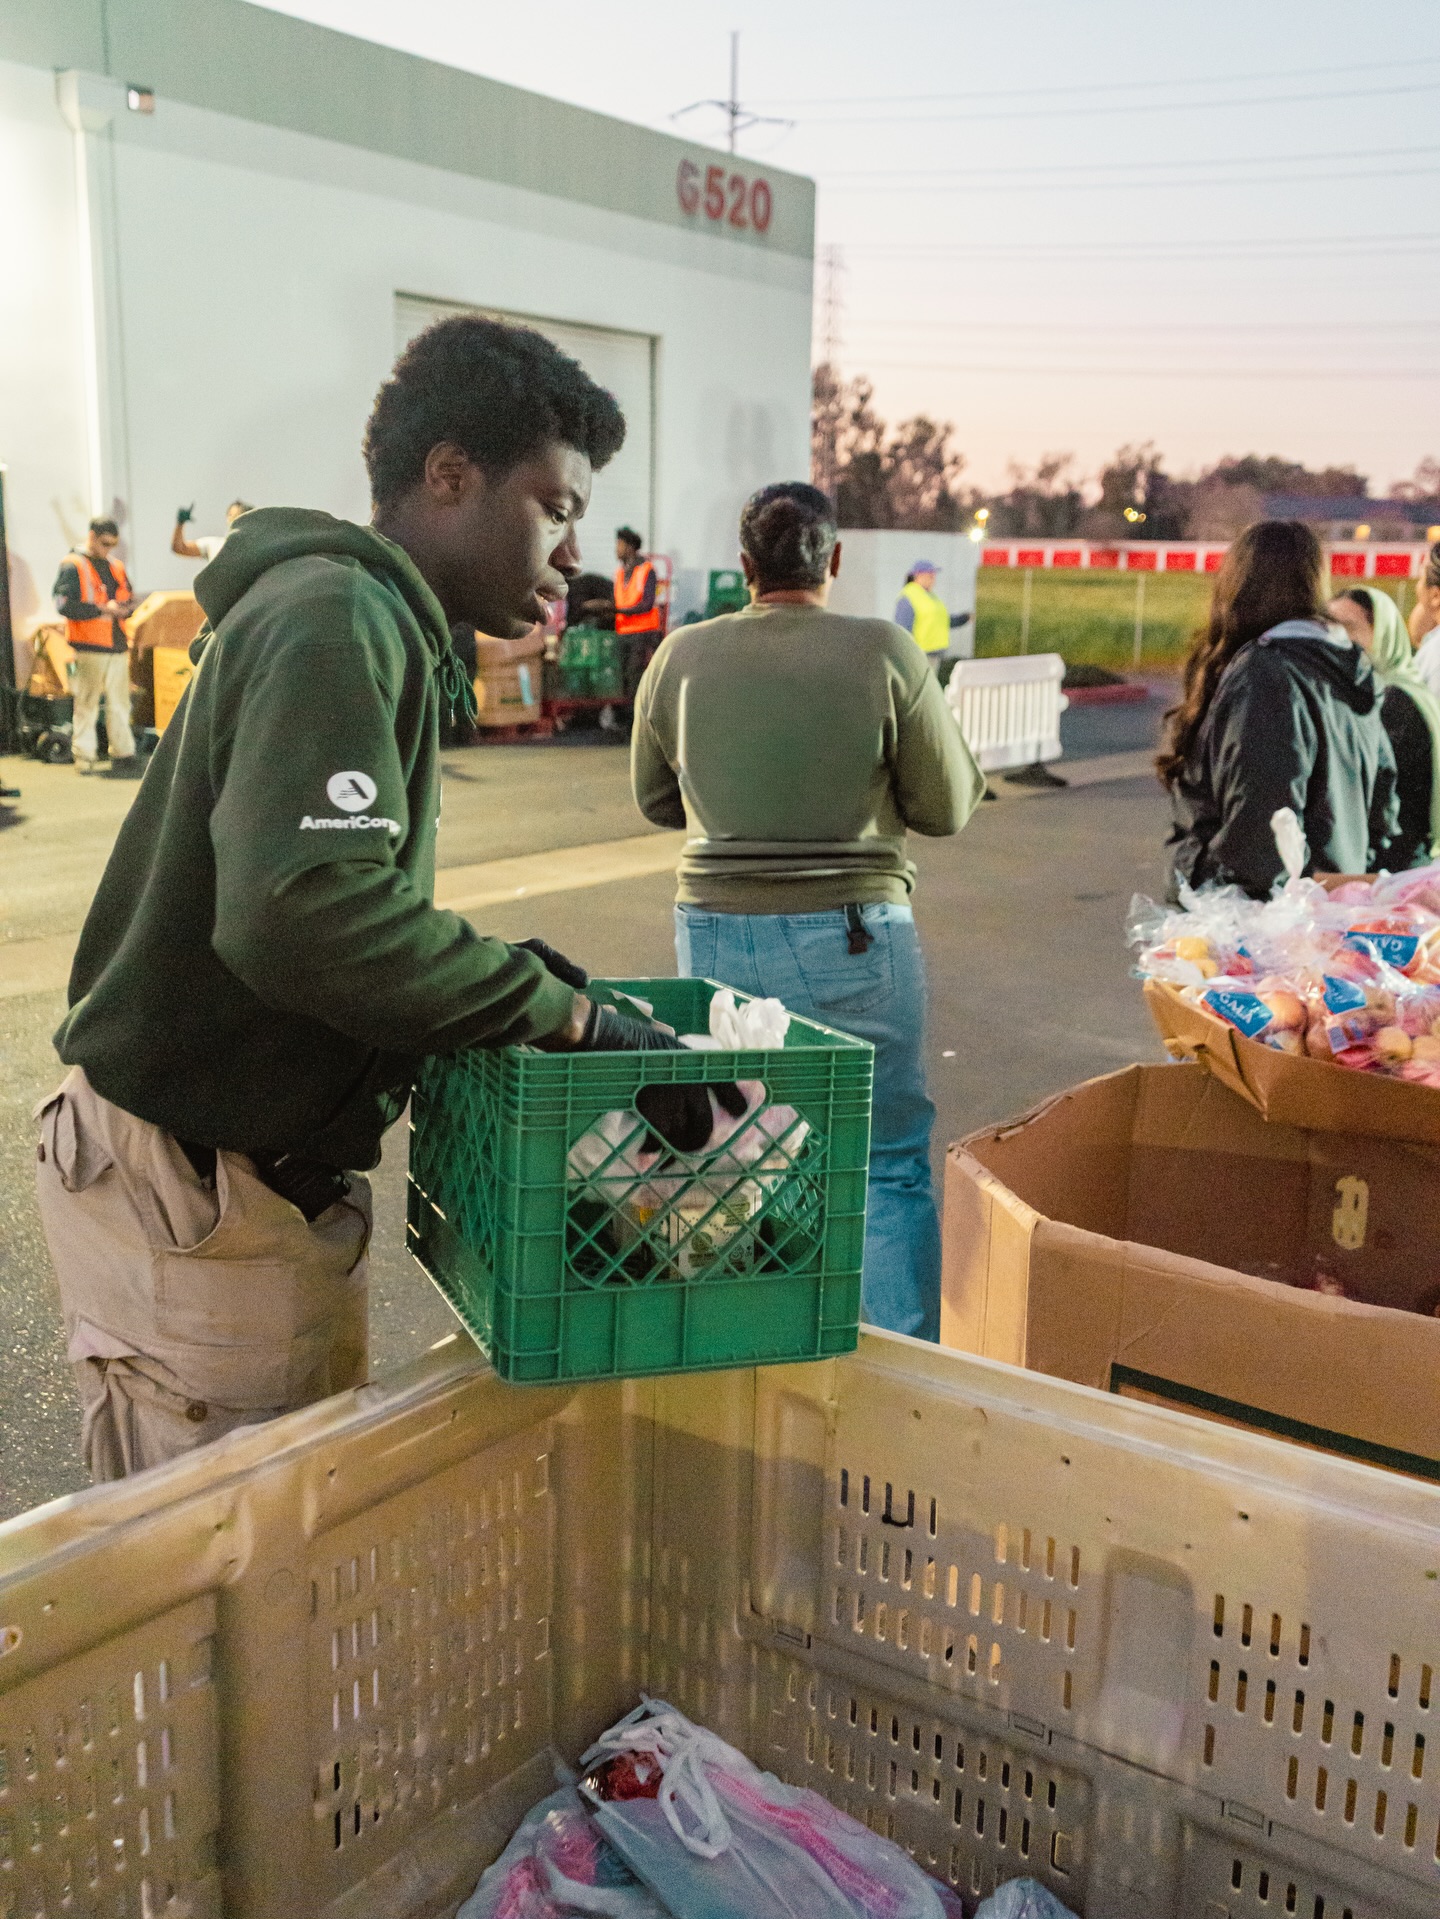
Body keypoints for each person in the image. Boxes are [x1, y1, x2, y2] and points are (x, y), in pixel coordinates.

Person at [36, 315, 683, 1482]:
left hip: (240, 1180)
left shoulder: (370, 619)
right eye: (558, 504)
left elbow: (330, 897)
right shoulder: (337, 617)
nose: (573, 548)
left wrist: (483, 974)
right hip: (196, 1180)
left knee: (281, 1575)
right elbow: (306, 914)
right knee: (220, 1601)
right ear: (449, 475)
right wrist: (559, 1012)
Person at [631, 482, 985, 1341]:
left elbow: (653, 797)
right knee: (884, 1160)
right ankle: (899, 1376)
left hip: (714, 933)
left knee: (733, 1146)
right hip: (855, 933)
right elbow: (946, 808)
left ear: (745, 567)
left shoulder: (679, 655)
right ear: (833, 560)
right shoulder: (886, 652)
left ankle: (753, 1346)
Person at [1159, 519, 1397, 900]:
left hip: (1260, 930)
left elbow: (1258, 850)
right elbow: (1383, 812)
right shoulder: (1349, 670)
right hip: (1329, 921)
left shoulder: (1266, 675)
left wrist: (1196, 875)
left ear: (1236, 587)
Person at [1329, 585, 1440, 869]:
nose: (1334, 639)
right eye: (1328, 627)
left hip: (1391, 871)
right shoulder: (1403, 690)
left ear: (1382, 635)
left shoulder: (1392, 701)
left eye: (1348, 627)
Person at [52, 517, 139, 776]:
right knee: (87, 703)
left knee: (120, 703)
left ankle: (123, 752)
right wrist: (103, 609)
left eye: (113, 544)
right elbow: (63, 605)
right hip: (89, 645)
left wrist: (127, 609)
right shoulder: (73, 565)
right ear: (91, 536)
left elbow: (128, 597)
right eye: (104, 543)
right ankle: (85, 756)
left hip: (116, 644)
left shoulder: (116, 566)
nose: (108, 549)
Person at [892, 560, 970, 669]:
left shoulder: (930, 596)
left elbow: (941, 621)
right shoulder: (909, 597)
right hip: (919, 656)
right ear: (918, 576)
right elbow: (903, 630)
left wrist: (963, 619)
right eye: (930, 576)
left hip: (933, 654)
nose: (933, 580)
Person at [172, 499, 254, 561]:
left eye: (240, 516)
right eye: (231, 515)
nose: (234, 520)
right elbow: (180, 548)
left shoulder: (258, 547)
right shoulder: (213, 544)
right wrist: (180, 523)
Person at [1409, 541, 1440, 701]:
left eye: (1420, 578)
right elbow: (1419, 632)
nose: (1417, 587)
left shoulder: (1435, 658)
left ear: (1435, 595)